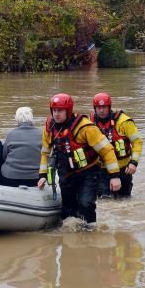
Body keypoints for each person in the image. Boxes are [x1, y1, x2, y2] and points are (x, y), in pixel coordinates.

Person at [37, 93, 121, 227]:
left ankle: (91, 233)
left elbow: (107, 150)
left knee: (86, 204)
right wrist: (42, 175)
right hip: (66, 173)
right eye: (54, 110)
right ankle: (70, 241)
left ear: (68, 110)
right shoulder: (50, 127)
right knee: (68, 210)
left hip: (87, 172)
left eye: (60, 110)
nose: (56, 114)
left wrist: (115, 176)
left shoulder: (85, 127)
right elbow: (45, 153)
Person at [90, 92, 143, 198]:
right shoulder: (89, 124)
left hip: (124, 169)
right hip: (101, 169)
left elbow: (137, 142)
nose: (101, 110)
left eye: (104, 107)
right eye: (98, 107)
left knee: (124, 199)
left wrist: (133, 163)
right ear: (94, 108)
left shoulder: (124, 122)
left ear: (109, 107)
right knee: (105, 199)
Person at [0, 106, 43, 187]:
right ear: (32, 118)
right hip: (36, 178)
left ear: (16, 119)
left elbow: (4, 156)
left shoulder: (11, 134)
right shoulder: (42, 134)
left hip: (11, 177)